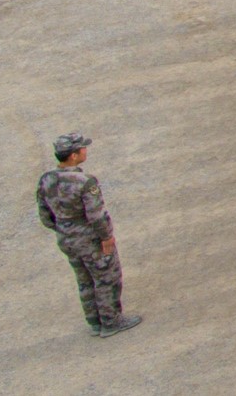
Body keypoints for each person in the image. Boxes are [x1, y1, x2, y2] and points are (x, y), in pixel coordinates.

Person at [36, 134, 140, 337]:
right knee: (106, 277)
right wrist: (106, 237)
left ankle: (94, 321)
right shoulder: (84, 182)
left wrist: (64, 229)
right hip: (89, 238)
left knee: (84, 279)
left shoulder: (47, 180)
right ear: (74, 156)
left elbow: (45, 216)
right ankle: (111, 321)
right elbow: (96, 215)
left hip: (66, 238)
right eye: (82, 148)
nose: (85, 150)